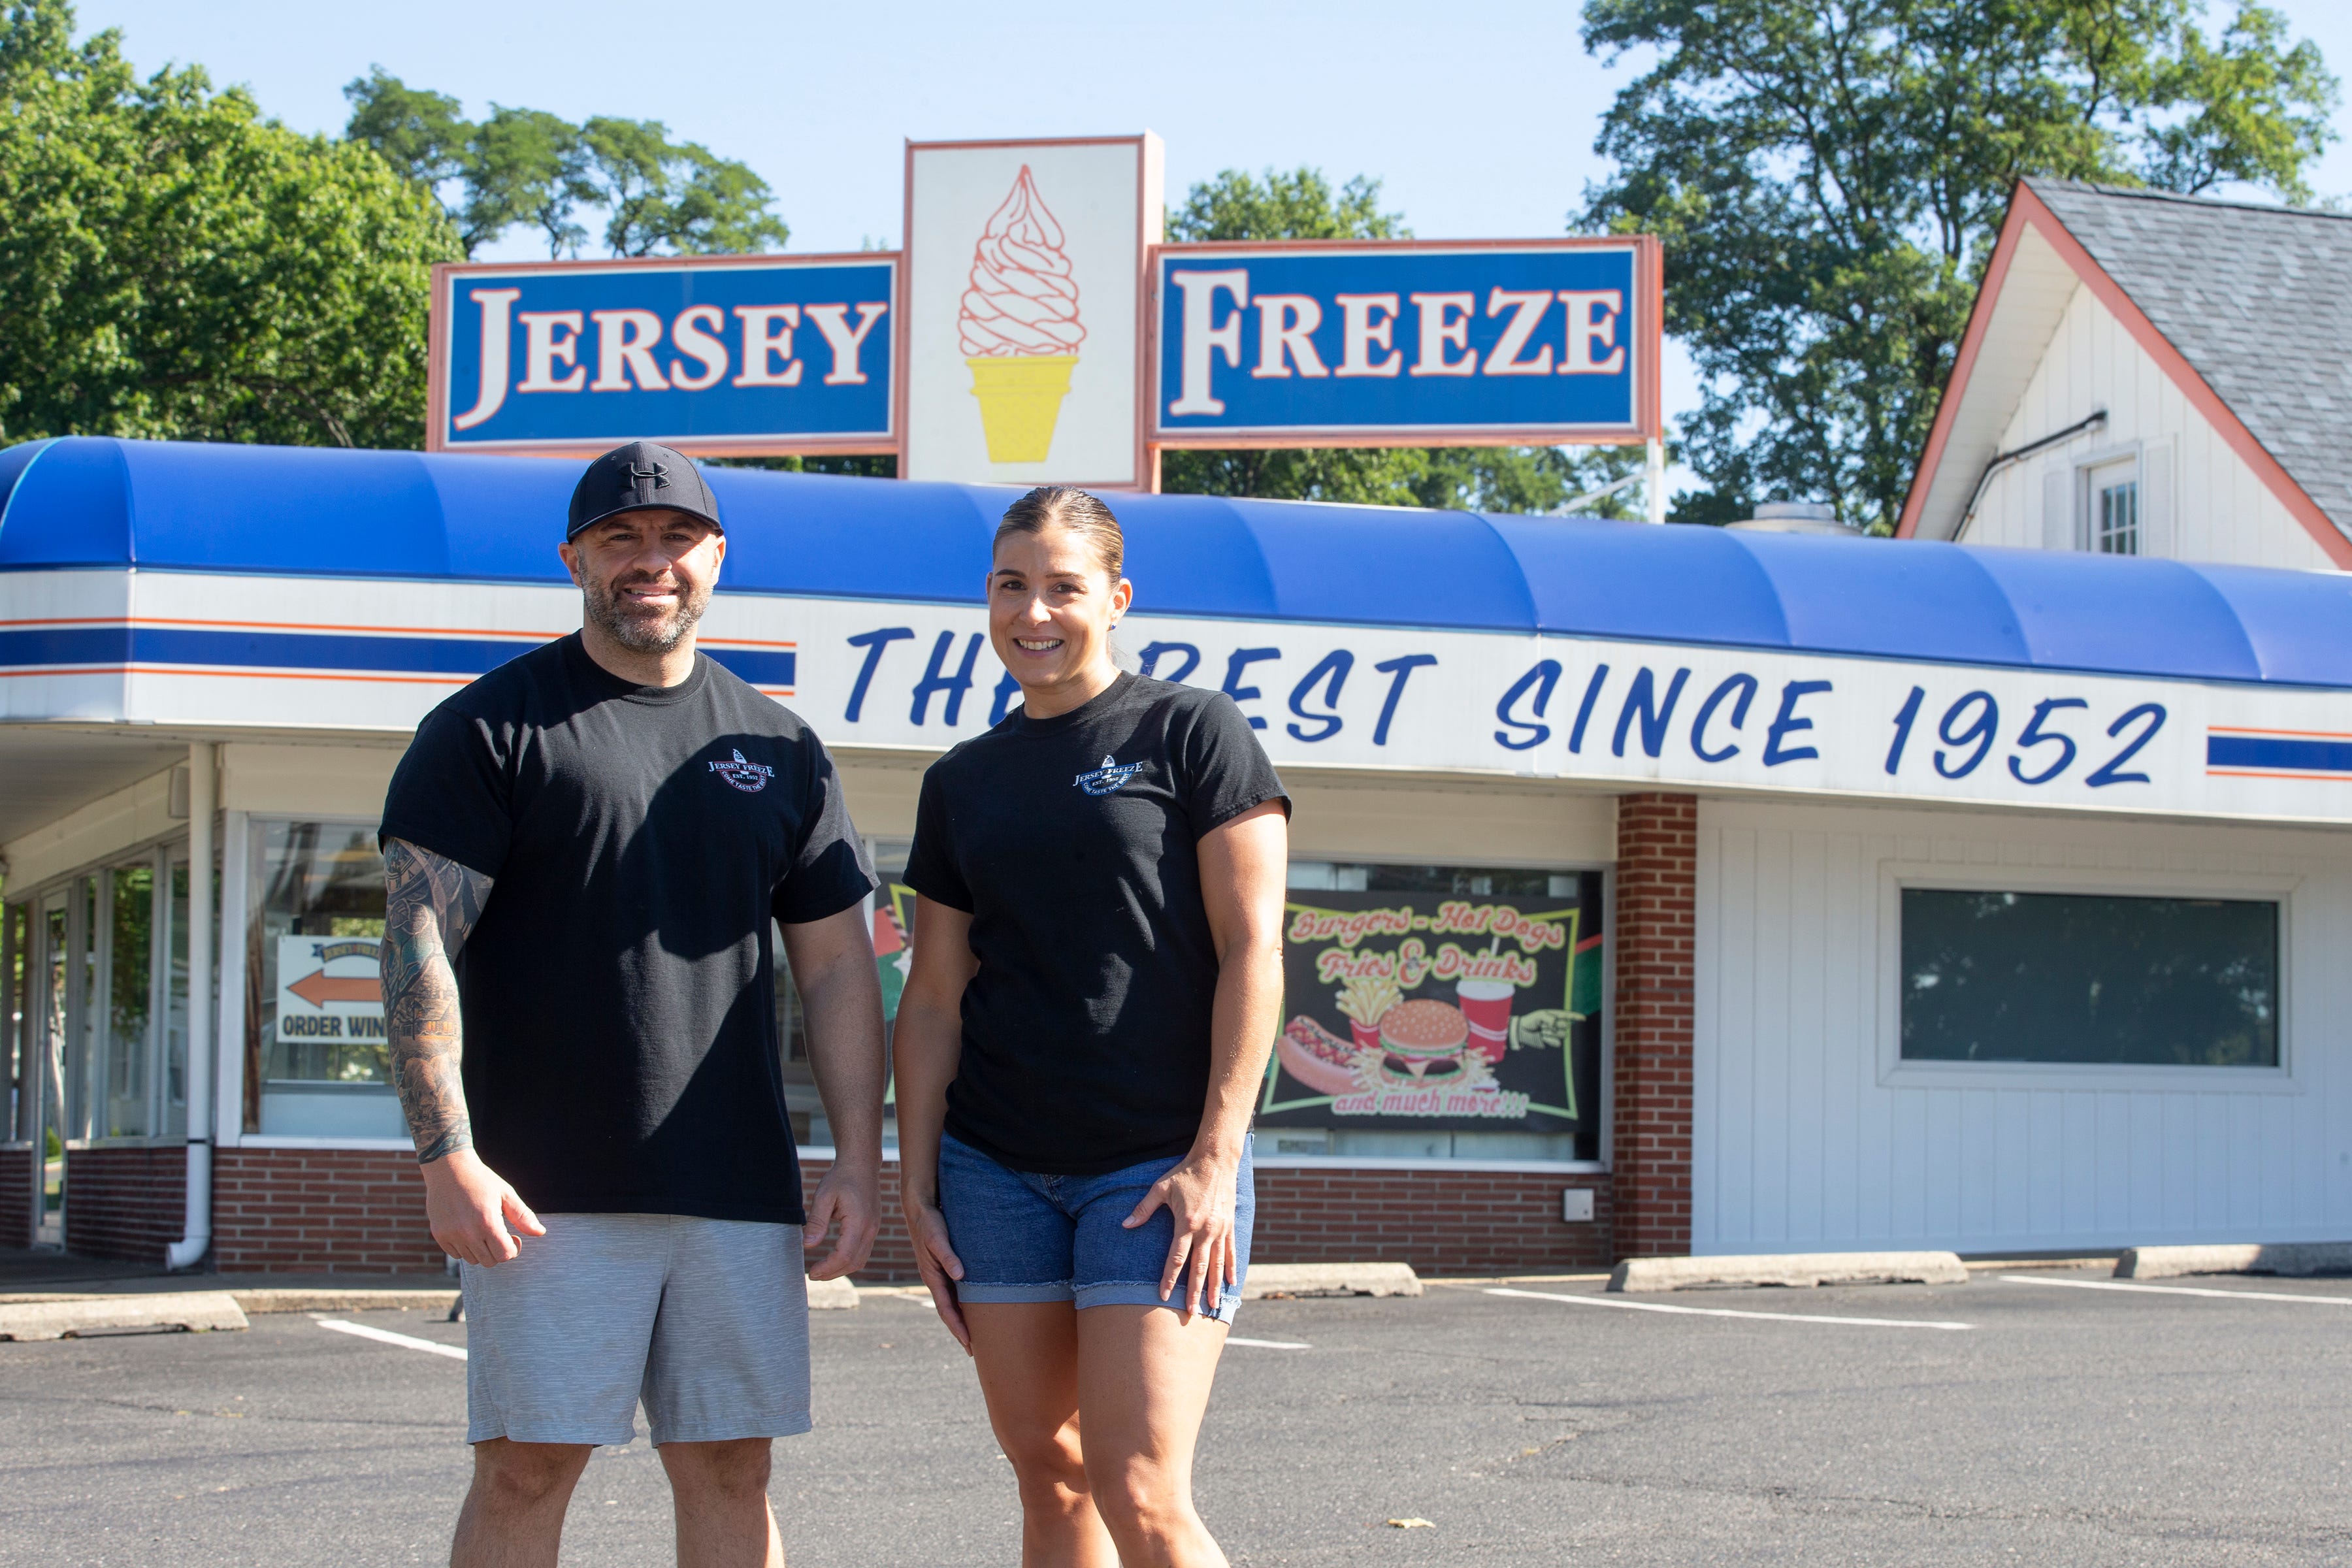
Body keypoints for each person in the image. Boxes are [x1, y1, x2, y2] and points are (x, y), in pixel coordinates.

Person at [376, 441, 886, 1568]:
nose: (649, 562)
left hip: (736, 1187)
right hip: (542, 1192)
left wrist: (859, 1158)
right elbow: (419, 948)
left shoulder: (781, 747)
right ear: (575, 559)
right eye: (620, 538)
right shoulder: (490, 728)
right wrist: (445, 1153)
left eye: (675, 539)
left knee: (731, 1466)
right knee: (525, 1464)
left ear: (717, 558)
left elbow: (840, 967)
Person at [894, 485, 1290, 1568]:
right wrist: (917, 1183)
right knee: (1049, 1471)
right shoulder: (961, 781)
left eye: (1064, 587)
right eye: (1011, 586)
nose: (1035, 612)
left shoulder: (1190, 730)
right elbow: (932, 995)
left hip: (1154, 1166)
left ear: (1115, 598)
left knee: (1140, 1483)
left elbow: (1256, 949)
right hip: (995, 1170)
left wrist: (1217, 1155)